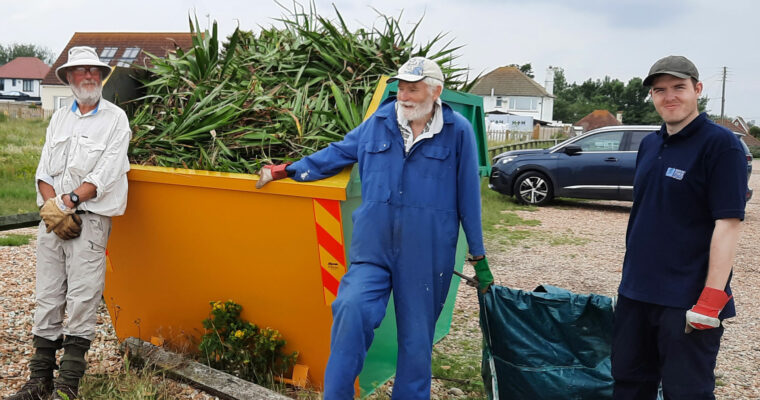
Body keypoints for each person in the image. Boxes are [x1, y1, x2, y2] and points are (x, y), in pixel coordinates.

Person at [256, 57, 493, 399]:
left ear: (436, 91)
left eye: (414, 89)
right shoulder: (377, 123)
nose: (405, 96)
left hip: (427, 252)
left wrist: (479, 255)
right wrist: (286, 170)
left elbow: (469, 195)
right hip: (374, 247)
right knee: (350, 309)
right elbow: (336, 153)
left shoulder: (457, 133)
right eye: (401, 88)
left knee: (416, 339)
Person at [612, 55, 747, 399]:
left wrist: (711, 299)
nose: (669, 96)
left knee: (686, 392)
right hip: (636, 294)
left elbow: (728, 224)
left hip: (687, 301)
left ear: (697, 89)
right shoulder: (649, 144)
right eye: (660, 90)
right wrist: (627, 282)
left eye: (678, 87)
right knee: (628, 384)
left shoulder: (721, 145)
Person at [6, 46, 131, 400]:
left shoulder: (115, 119)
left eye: (94, 70)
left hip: (88, 220)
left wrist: (70, 202)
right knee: (47, 296)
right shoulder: (60, 117)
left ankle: (68, 383)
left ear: (101, 77)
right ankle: (39, 379)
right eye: (80, 71)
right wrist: (52, 208)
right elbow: (44, 169)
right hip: (52, 220)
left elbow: (106, 170)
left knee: (82, 298)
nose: (88, 76)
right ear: (69, 79)